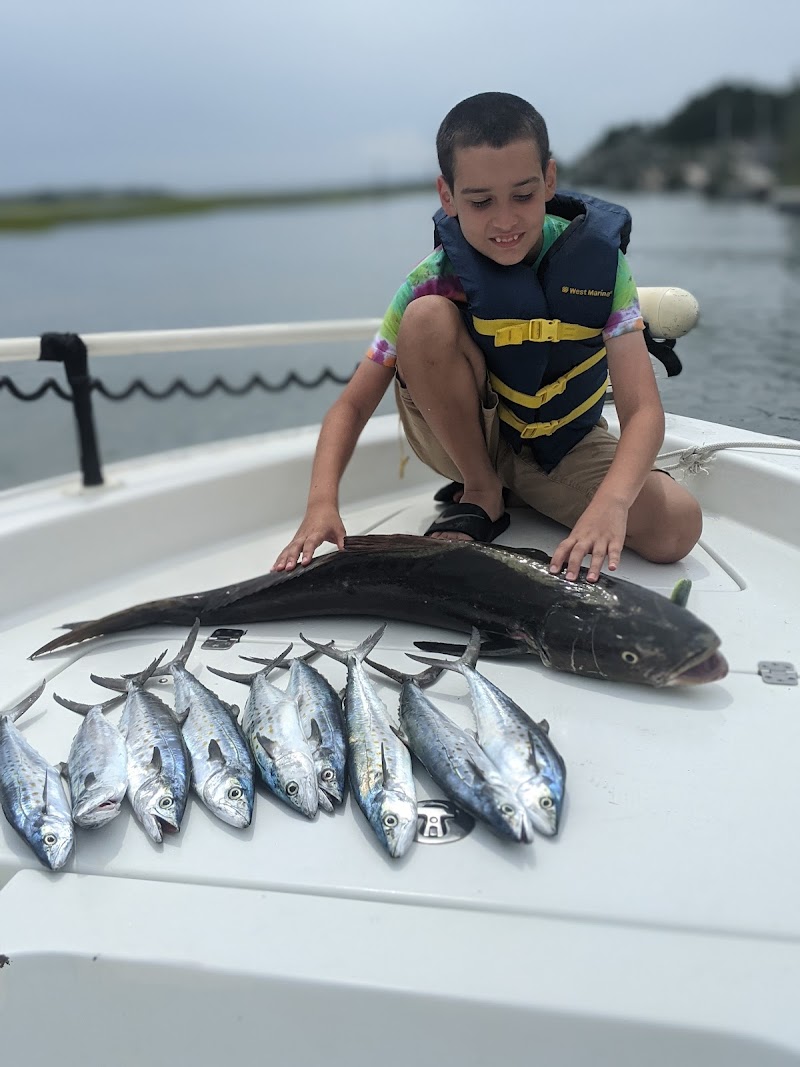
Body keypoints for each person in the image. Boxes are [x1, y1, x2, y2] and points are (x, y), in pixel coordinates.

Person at [273, 91, 702, 583]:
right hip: (468, 439)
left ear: (550, 180)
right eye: (480, 202)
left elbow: (643, 410)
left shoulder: (606, 270)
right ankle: (481, 489)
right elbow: (350, 406)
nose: (505, 221)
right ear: (447, 196)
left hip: (565, 443)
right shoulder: (430, 278)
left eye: (523, 195)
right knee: (426, 318)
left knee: (676, 526)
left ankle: (520, 488)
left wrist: (612, 504)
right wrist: (321, 504)